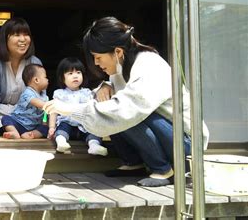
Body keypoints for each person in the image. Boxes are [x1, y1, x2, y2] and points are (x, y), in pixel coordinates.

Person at [43, 17, 209, 187]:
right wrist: (103, 86)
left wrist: (70, 110)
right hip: (168, 138)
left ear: (118, 52)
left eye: (98, 57)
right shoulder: (120, 67)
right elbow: (112, 103)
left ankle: (163, 169)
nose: (96, 63)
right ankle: (133, 162)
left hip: (186, 148)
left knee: (123, 111)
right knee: (108, 104)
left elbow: (127, 108)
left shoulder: (149, 65)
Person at [48, 57, 108, 156]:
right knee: (61, 129)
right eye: (70, 73)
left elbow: (92, 110)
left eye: (78, 72)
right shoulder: (59, 93)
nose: (75, 76)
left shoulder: (87, 92)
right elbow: (53, 111)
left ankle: (94, 146)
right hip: (67, 123)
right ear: (62, 78)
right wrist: (51, 127)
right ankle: (61, 142)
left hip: (83, 125)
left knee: (93, 132)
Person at [1, 64, 49, 139]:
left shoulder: (45, 98)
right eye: (45, 77)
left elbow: (45, 115)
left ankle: (31, 135)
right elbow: (36, 102)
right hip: (18, 123)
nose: (47, 79)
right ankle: (14, 132)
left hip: (33, 127)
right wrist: (51, 105)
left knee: (46, 128)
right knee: (6, 118)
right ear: (36, 80)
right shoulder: (28, 92)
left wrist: (44, 123)